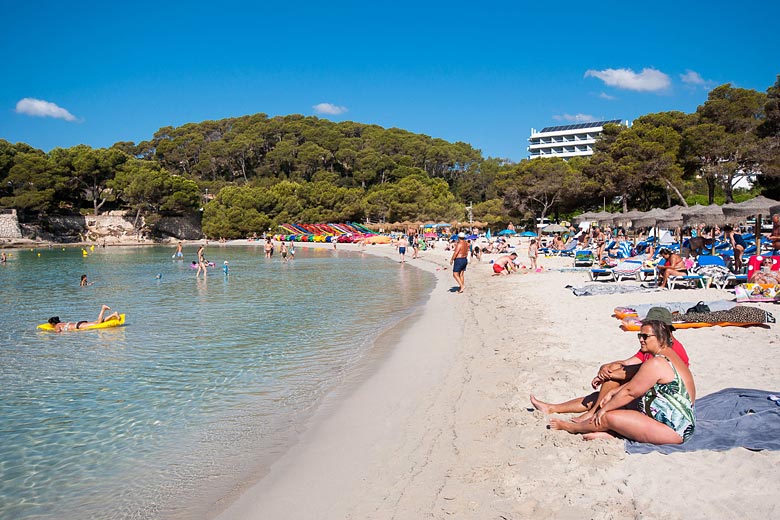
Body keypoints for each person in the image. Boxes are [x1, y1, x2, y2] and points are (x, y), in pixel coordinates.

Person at [544, 319, 696, 445]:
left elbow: (630, 392)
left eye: (645, 336)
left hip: (674, 430)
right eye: (639, 336)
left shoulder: (657, 363)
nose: (641, 340)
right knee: (613, 401)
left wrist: (604, 410)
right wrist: (612, 392)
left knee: (606, 416)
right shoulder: (670, 356)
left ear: (660, 338)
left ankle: (572, 427)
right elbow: (633, 385)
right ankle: (611, 432)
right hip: (675, 418)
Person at [531, 307, 689, 424]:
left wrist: (611, 377)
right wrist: (607, 367)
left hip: (662, 397)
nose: (643, 336)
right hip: (647, 387)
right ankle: (552, 408)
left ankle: (592, 413)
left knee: (610, 386)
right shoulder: (652, 342)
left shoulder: (672, 350)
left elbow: (646, 373)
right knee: (603, 390)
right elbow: (629, 362)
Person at [47, 305, 121, 333]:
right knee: (97, 322)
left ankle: (103, 309)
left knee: (98, 323)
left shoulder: (57, 325)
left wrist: (51, 332)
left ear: (53, 323)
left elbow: (58, 332)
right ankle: (114, 314)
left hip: (79, 326)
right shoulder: (62, 323)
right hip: (79, 324)